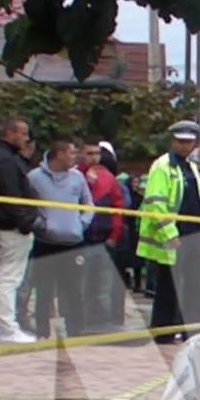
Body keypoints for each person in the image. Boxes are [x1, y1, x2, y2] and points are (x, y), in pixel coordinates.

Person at [139, 121, 200, 345]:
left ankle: (191, 332)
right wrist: (169, 233)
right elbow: (155, 203)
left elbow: (197, 203)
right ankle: (163, 333)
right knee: (169, 287)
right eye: (180, 141)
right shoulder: (162, 166)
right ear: (173, 141)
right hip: (173, 237)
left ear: (195, 144)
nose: (184, 146)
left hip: (193, 235)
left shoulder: (190, 167)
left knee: (195, 286)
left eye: (188, 142)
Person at [26, 137, 95, 340]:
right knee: (44, 292)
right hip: (46, 243)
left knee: (74, 289)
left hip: (73, 243)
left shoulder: (78, 178)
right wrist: (41, 225)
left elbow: (88, 203)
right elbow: (27, 206)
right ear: (59, 154)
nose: (75, 157)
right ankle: (42, 332)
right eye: (71, 153)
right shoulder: (34, 177)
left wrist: (81, 224)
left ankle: (76, 329)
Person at [0, 118, 42, 344]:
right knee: (8, 279)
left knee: (7, 278)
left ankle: (6, 324)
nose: (27, 139)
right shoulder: (5, 161)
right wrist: (25, 221)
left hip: (13, 225)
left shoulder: (6, 159)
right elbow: (10, 196)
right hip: (12, 228)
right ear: (10, 133)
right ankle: (7, 327)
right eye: (23, 133)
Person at [79, 142, 127, 333]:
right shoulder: (75, 176)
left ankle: (102, 324)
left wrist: (115, 234)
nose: (94, 158)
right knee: (83, 286)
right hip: (82, 238)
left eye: (97, 154)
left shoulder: (108, 178)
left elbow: (117, 207)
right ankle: (81, 323)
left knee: (103, 286)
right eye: (89, 153)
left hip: (103, 238)